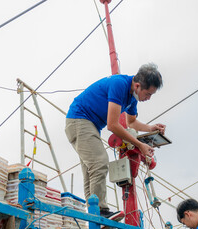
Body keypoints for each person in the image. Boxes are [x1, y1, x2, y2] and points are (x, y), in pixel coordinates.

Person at [65, 63, 166, 218]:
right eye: (148, 94)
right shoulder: (119, 84)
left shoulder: (132, 99)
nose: (148, 98)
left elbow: (131, 122)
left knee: (90, 171)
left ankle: (93, 214)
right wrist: (140, 145)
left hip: (89, 125)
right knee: (99, 162)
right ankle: (100, 211)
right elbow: (112, 125)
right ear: (138, 85)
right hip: (79, 120)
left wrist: (151, 128)